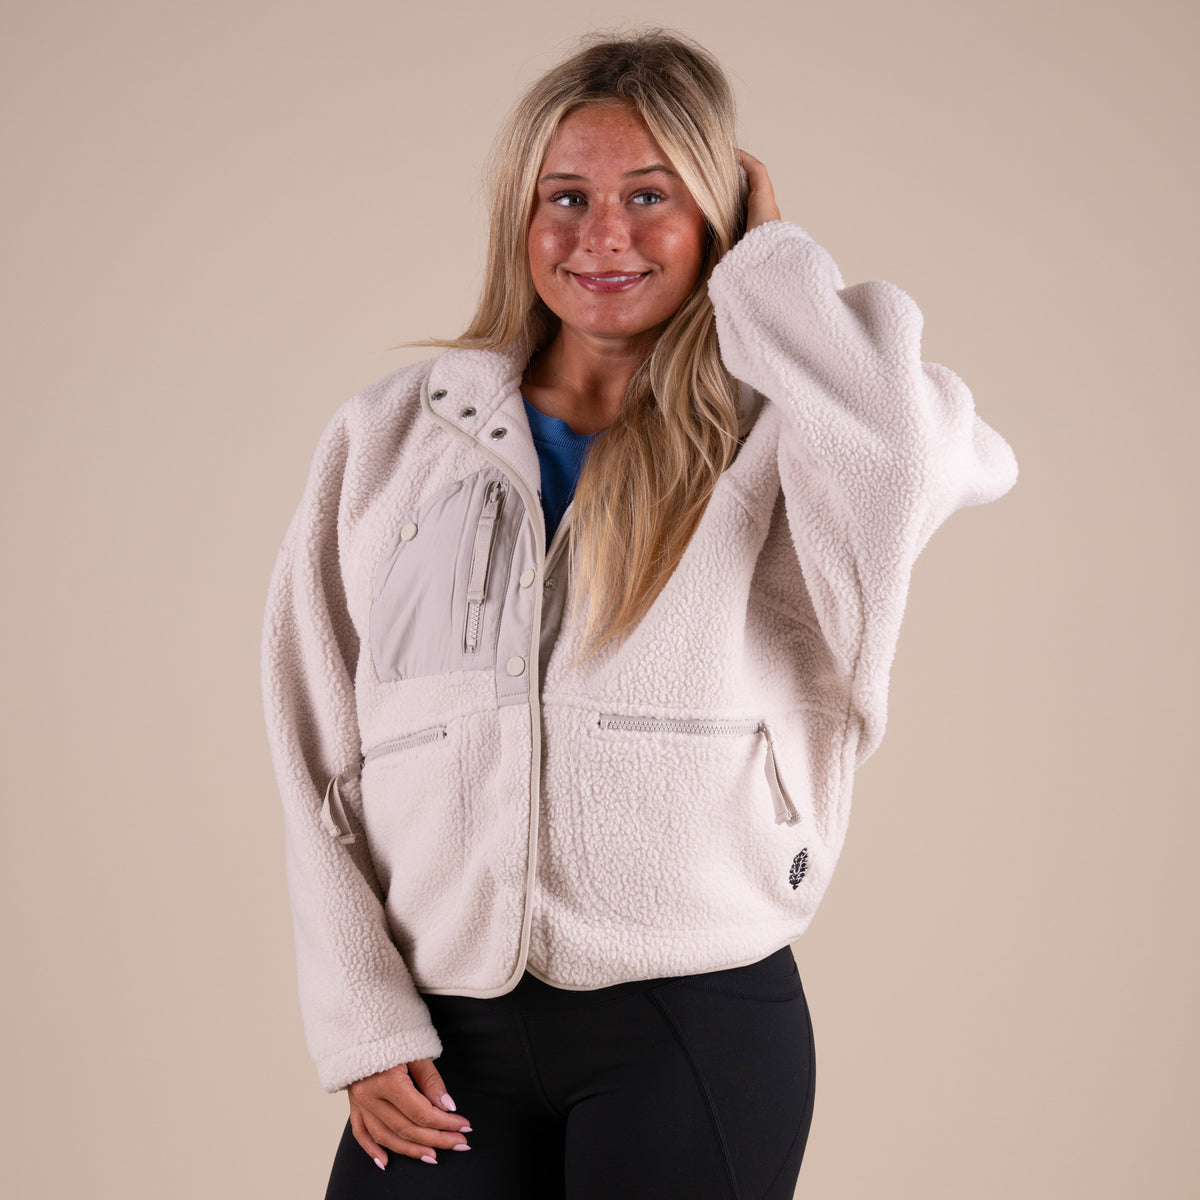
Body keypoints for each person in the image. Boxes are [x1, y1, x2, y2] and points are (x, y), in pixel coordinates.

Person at [260, 27, 1019, 1200]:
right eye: (565, 195)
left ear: (717, 214)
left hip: (693, 1018)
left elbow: (905, 460)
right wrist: (362, 1016)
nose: (601, 235)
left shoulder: (789, 426)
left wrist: (775, 278)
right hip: (442, 1030)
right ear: (519, 216)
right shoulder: (391, 438)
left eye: (650, 195)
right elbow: (313, 739)